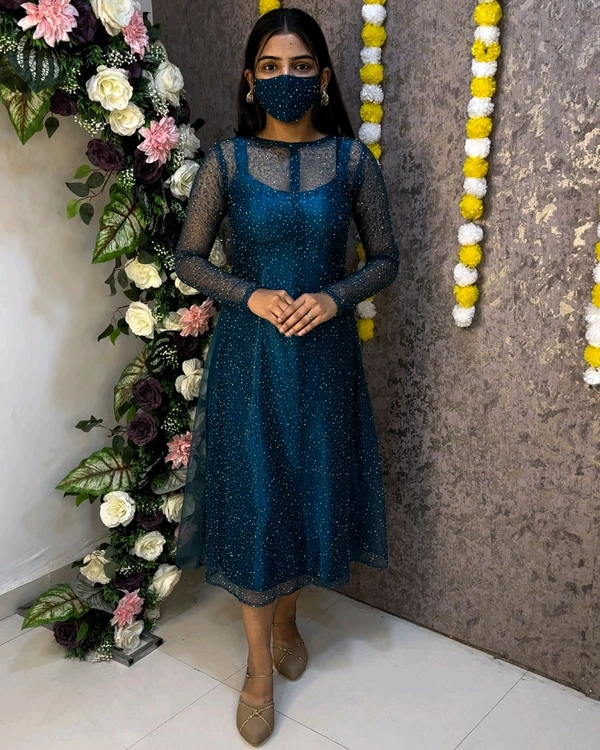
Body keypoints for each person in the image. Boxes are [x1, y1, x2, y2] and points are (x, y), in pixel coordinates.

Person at [173, 7, 399, 746]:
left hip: (325, 360)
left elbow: (385, 259)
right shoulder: (226, 163)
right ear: (250, 79)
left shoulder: (353, 163)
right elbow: (189, 258)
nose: (285, 79)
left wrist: (334, 297)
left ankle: (288, 618)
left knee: (305, 489)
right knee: (256, 497)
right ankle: (257, 672)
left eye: (301, 66)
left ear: (324, 76)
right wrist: (249, 293)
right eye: (270, 67)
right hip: (250, 357)